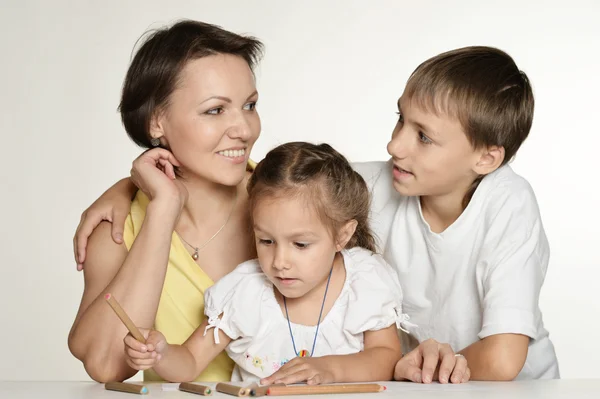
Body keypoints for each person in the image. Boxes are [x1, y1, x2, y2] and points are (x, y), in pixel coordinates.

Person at [67, 20, 264, 383]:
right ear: (157, 121)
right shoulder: (117, 226)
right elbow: (105, 364)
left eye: (249, 105)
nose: (244, 129)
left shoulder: (289, 193)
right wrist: (162, 209)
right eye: (215, 110)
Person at [123, 142, 415, 384]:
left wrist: (330, 369)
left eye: (300, 244)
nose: (279, 262)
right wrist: (160, 353)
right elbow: (188, 363)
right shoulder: (245, 292)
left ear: (342, 235)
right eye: (266, 241)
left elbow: (387, 357)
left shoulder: (364, 281)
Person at [356, 46, 559, 381]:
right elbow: (278, 182)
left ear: (485, 159)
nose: (394, 146)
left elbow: (501, 359)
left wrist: (411, 371)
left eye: (423, 136)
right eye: (400, 120)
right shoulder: (376, 183)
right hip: (429, 387)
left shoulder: (509, 203)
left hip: (517, 390)